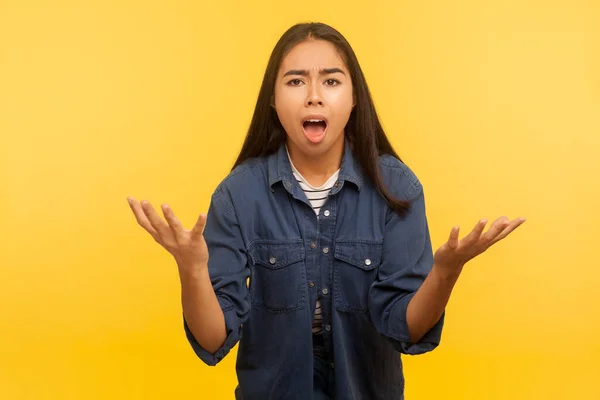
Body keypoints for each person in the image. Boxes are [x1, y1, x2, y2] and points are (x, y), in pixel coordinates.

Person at [127, 22, 525, 400]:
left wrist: (445, 272)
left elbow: (407, 328)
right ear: (273, 98)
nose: (313, 95)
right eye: (296, 80)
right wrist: (192, 269)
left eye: (331, 81)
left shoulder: (397, 189)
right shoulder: (237, 195)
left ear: (353, 98)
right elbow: (214, 339)